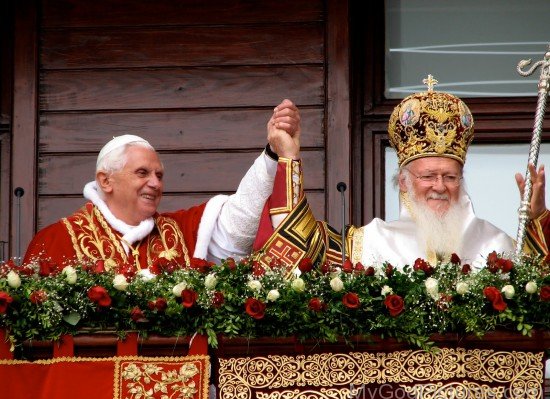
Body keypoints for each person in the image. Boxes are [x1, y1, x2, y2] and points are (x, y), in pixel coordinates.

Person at [254, 79, 550, 273]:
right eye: (429, 176)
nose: (440, 187)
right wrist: (289, 158)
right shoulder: (368, 243)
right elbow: (299, 246)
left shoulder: (496, 245)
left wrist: (537, 218)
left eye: (450, 177)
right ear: (405, 182)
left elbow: (539, 285)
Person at [23, 99, 301, 272]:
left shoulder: (178, 231)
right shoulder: (56, 240)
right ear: (105, 181)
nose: (155, 183)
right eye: (142, 173)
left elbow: (240, 221)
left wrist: (274, 153)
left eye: (159, 175)